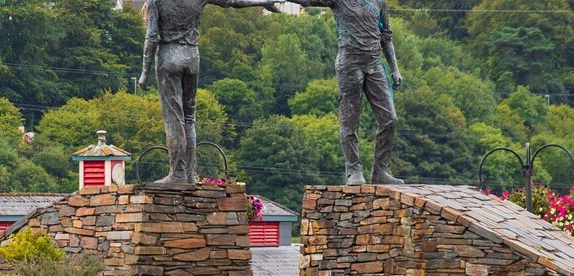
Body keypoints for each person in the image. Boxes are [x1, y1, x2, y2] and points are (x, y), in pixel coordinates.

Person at [139, 0, 285, 184]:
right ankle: (190, 174)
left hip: (169, 57)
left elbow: (151, 36)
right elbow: (232, 1)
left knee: (175, 119)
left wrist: (145, 71)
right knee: (189, 118)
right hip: (192, 57)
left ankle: (177, 174)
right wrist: (262, 2)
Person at [282, 0, 405, 185]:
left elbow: (386, 36)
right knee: (350, 120)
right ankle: (353, 169)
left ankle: (380, 171)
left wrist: (395, 68)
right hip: (349, 64)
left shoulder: (379, 1)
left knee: (390, 119)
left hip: (374, 64)